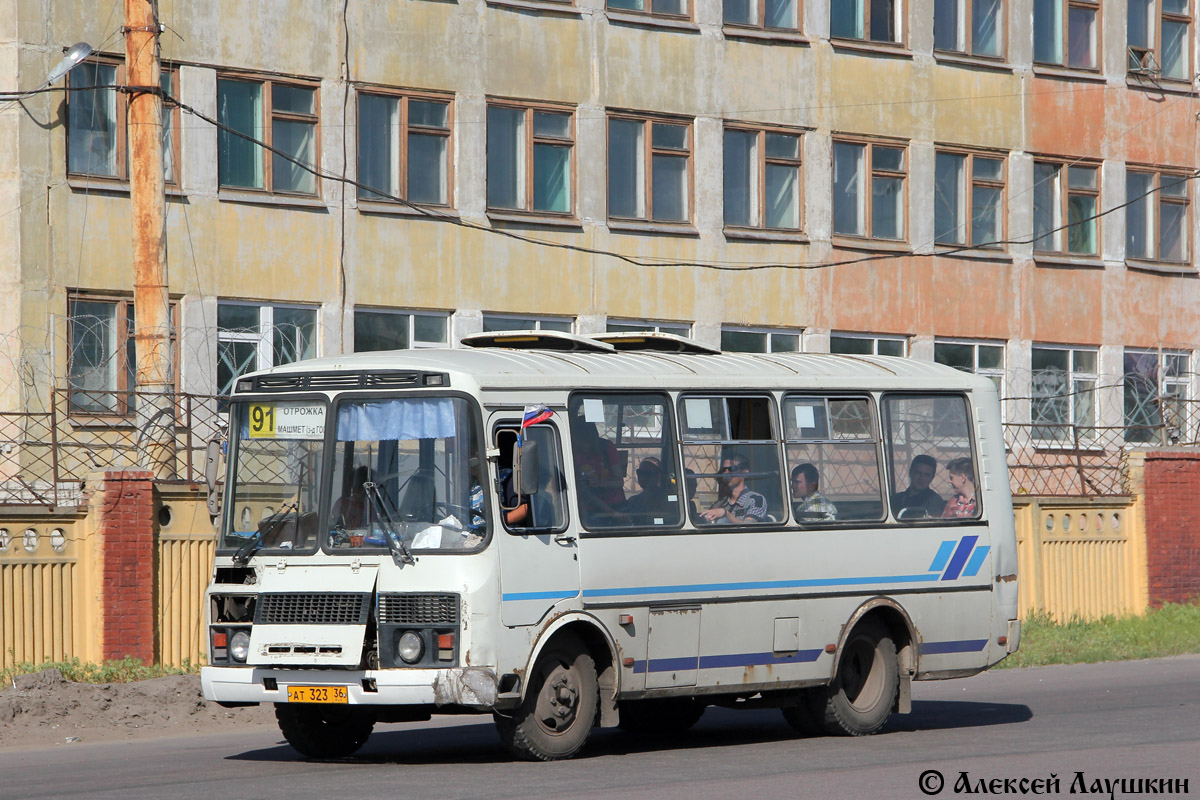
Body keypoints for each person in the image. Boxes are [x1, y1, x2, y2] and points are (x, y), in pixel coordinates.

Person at [700, 453, 768, 524]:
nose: (726, 473)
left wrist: (726, 514)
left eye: (732, 469)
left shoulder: (756, 499)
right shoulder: (719, 504)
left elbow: (749, 527)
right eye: (724, 470)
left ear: (745, 472)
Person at [623, 456, 672, 524]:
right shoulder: (633, 501)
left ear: (658, 476)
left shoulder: (668, 500)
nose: (642, 477)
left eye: (647, 473)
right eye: (639, 472)